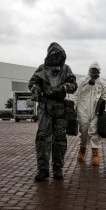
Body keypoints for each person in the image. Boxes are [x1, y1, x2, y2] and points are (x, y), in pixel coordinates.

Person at [29, 42, 78, 181]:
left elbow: (74, 85)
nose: (56, 59)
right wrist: (36, 90)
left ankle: (58, 168)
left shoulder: (66, 69)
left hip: (60, 108)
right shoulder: (42, 69)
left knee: (60, 139)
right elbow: (32, 83)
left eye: (59, 56)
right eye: (54, 56)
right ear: (49, 56)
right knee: (42, 138)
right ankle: (43, 169)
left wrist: (65, 87)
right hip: (45, 107)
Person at [74, 61, 106, 165]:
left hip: (96, 112)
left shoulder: (102, 83)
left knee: (94, 132)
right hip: (82, 111)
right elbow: (76, 95)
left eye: (96, 70)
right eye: (93, 70)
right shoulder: (82, 81)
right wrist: (74, 107)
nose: (94, 72)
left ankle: (95, 155)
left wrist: (104, 111)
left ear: (99, 71)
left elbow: (104, 98)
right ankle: (82, 150)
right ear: (89, 70)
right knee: (83, 132)